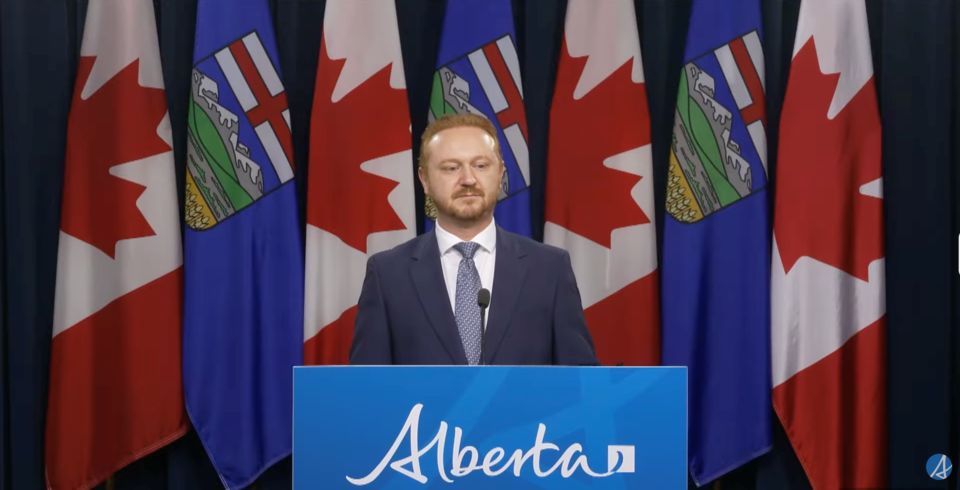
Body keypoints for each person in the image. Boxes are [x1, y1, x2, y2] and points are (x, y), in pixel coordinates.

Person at [349, 113, 597, 365]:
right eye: (451, 168)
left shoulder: (550, 269)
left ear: (500, 173)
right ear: (424, 180)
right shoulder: (387, 275)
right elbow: (367, 384)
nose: (468, 179)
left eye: (481, 165)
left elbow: (580, 379)